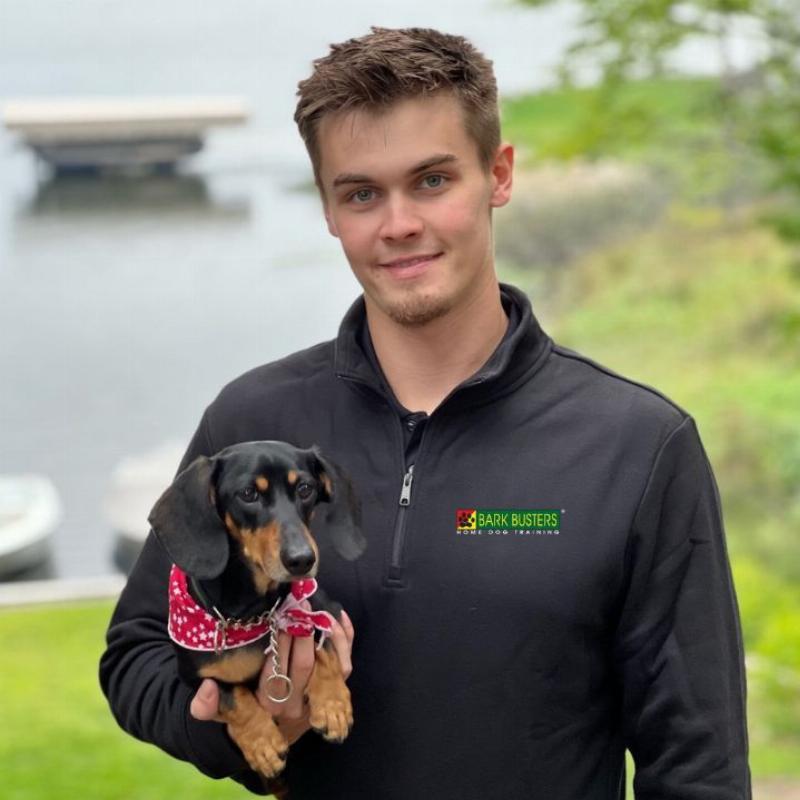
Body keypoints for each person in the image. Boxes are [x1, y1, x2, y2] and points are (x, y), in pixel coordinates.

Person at [100, 26, 751, 799]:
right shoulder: (252, 423)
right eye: (362, 192)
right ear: (329, 209)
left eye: (433, 181)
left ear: (498, 175)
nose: (398, 222)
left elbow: (698, 764)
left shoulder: (638, 446)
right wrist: (237, 730)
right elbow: (136, 651)